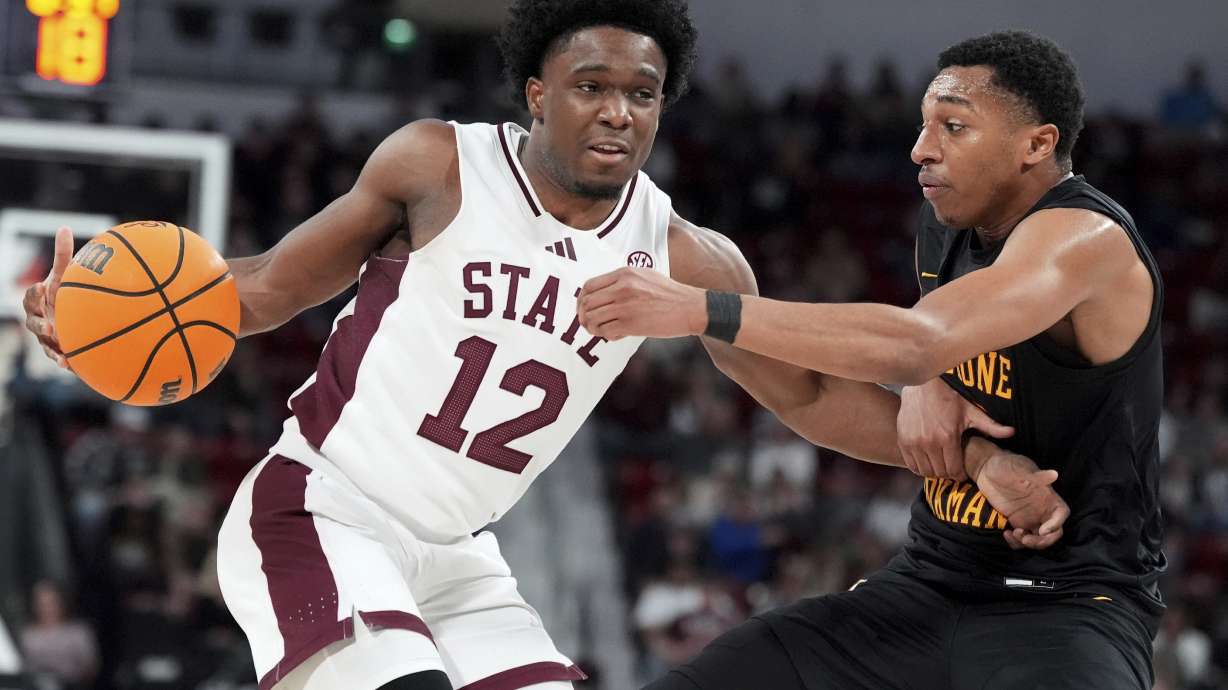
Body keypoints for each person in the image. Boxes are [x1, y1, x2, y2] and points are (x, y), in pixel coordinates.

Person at [21, 6, 1066, 689]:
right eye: (590, 84)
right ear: (535, 92)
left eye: (641, 92)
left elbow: (806, 400)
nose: (617, 110)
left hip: (465, 559)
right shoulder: (437, 166)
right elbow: (259, 293)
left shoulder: (689, 257)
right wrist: (92, 322)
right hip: (320, 512)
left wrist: (976, 459)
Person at [580, 30, 1164, 690]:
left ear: (1037, 144)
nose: (922, 149)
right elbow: (823, 398)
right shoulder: (945, 228)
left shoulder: (1086, 239)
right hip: (922, 589)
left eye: (953, 126)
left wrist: (699, 310)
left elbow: (915, 344)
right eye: (923, 125)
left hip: (1067, 610)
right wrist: (975, 453)